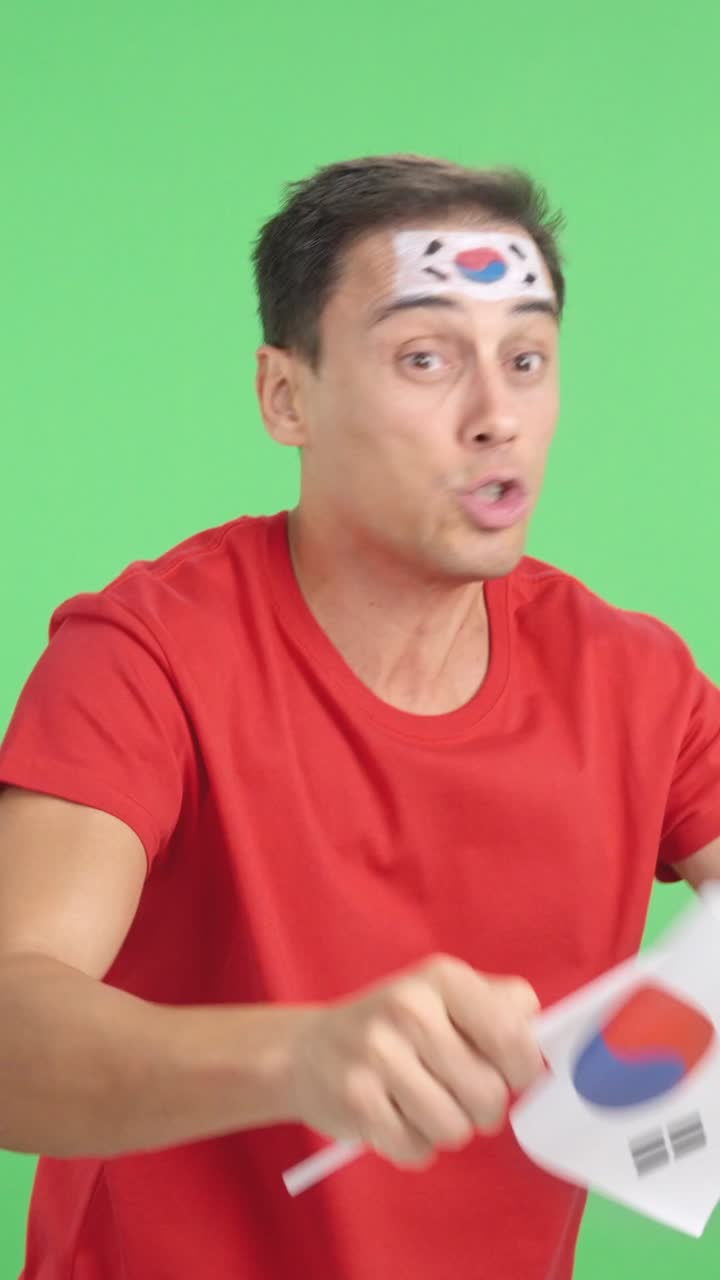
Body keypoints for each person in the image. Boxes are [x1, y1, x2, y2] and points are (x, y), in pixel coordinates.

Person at [1, 153, 719, 1280]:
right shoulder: (145, 652)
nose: (497, 418)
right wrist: (301, 1053)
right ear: (288, 395)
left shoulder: (636, 679)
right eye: (427, 358)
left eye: (526, 359)